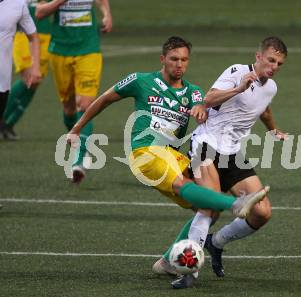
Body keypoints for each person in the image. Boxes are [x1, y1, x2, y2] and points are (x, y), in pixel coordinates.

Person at [67, 35, 270, 270]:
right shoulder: (140, 80)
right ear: (163, 59)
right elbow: (103, 100)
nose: (179, 64)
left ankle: (167, 262)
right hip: (146, 152)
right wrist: (76, 128)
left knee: (208, 209)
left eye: (184, 59)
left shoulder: (192, 92)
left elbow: (202, 103)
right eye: (174, 59)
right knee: (184, 186)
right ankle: (236, 204)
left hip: (173, 155)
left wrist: (201, 108)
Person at [154, 36, 288, 289]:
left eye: (279, 63)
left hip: (233, 152)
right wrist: (238, 88)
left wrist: (273, 130)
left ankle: (216, 243)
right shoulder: (237, 72)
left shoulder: (271, 87)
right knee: (209, 205)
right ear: (258, 56)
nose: (274, 67)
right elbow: (209, 98)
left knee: (262, 213)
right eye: (271, 60)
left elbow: (264, 109)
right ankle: (188, 272)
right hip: (207, 143)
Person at [36, 0, 112, 182]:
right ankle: (77, 138)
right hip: (60, 51)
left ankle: (81, 157)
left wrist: (106, 13)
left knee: (85, 104)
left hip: (89, 49)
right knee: (69, 109)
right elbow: (39, 12)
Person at [1, 0, 52, 140]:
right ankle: (3, 119)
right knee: (27, 79)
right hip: (23, 33)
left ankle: (9, 123)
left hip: (45, 33)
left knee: (34, 82)